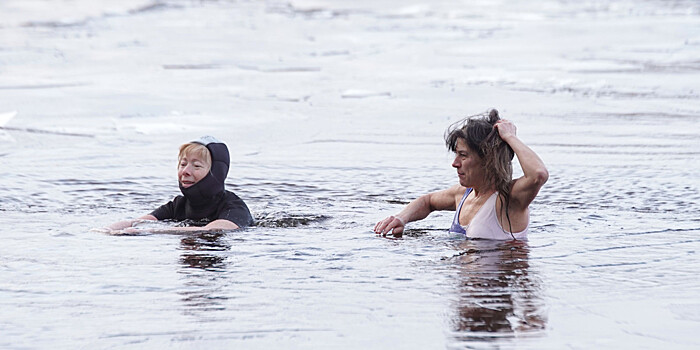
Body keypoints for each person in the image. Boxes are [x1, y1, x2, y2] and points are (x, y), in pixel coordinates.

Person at [374, 109, 548, 240]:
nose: (455, 163)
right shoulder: (462, 194)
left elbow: (538, 174)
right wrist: (400, 218)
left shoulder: (510, 199)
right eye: (456, 154)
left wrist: (510, 137)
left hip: (496, 287)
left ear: (489, 159)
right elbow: (427, 202)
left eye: (463, 155)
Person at [105, 136, 253, 234]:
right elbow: (137, 222)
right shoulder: (179, 204)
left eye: (196, 166)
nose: (185, 171)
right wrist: (105, 230)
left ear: (216, 173)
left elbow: (214, 229)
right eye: (183, 164)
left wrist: (151, 232)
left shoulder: (234, 207)